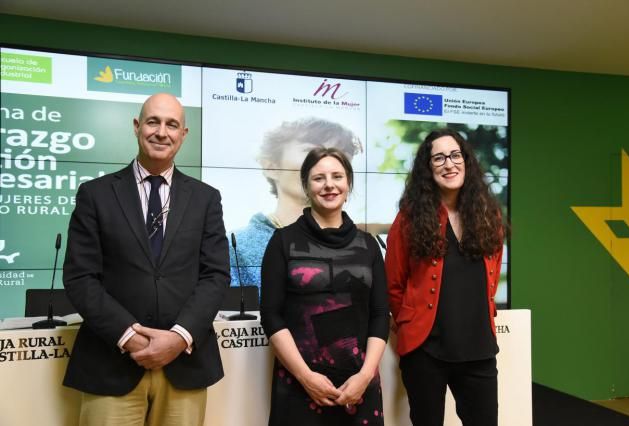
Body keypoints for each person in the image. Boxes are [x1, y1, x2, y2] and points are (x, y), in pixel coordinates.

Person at [62, 93, 230, 426]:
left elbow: (216, 275)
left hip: (185, 364)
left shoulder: (206, 199)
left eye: (172, 125)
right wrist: (129, 337)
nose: (161, 132)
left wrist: (180, 336)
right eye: (153, 121)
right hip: (111, 361)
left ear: (184, 134)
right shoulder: (95, 195)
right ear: (137, 127)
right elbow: (81, 277)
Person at [260, 147, 389, 425]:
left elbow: (380, 314)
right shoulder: (283, 241)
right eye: (319, 178)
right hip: (299, 384)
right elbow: (271, 315)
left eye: (337, 176)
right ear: (306, 185)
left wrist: (365, 377)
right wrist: (306, 377)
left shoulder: (368, 245)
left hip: (359, 385)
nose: (329, 185)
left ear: (348, 183)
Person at [385, 128, 504, 426]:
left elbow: (493, 273)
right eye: (438, 158)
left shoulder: (489, 215)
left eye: (454, 155)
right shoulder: (409, 218)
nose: (448, 164)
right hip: (426, 351)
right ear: (427, 169)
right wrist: (410, 325)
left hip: (478, 347)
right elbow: (393, 283)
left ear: (466, 161)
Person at [229, 118, 362, 293]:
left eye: (339, 154)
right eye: (311, 150)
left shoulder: (362, 243)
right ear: (271, 166)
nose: (325, 163)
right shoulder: (237, 246)